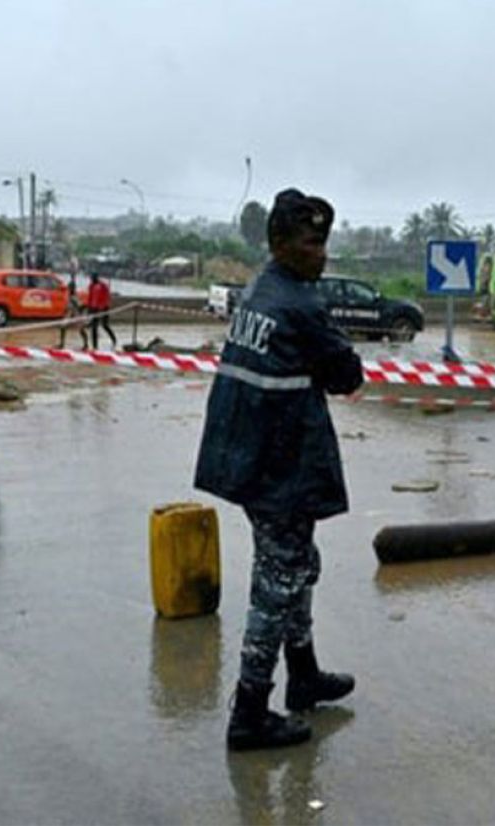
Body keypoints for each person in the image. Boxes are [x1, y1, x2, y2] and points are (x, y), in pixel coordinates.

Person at [193, 188, 364, 752]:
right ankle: (249, 711)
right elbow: (346, 375)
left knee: (296, 567)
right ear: (283, 245)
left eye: (325, 243)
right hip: (279, 467)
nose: (323, 255)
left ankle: (305, 674)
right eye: (313, 243)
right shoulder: (299, 305)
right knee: (279, 581)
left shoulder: (260, 289)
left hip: (251, 459)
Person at [83, 272, 117, 350]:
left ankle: (113, 340)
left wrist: (101, 308)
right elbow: (90, 297)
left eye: (93, 278)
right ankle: (95, 346)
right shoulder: (91, 286)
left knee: (105, 325)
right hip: (94, 308)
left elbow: (106, 297)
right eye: (91, 278)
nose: (92, 279)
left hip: (103, 308)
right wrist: (89, 308)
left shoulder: (103, 286)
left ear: (96, 278)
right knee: (94, 327)